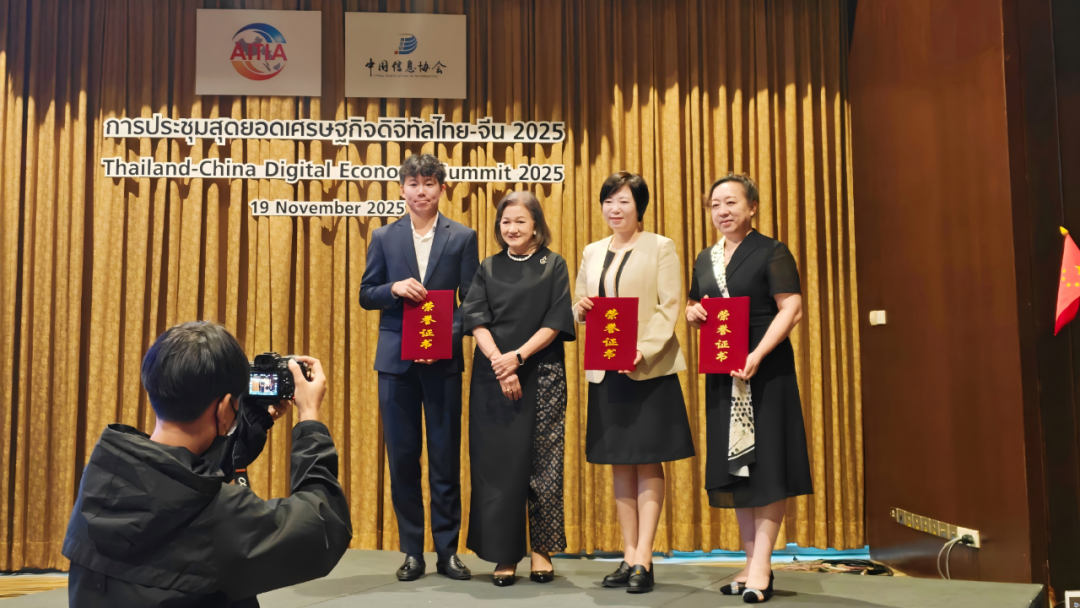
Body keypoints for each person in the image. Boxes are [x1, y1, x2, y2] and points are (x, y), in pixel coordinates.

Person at [62, 321, 351, 607]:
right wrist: (309, 419)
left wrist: (254, 422)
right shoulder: (219, 515)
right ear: (224, 408)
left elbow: (182, 479)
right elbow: (324, 526)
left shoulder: (102, 473)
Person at [685, 174, 813, 604]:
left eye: (731, 202)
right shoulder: (705, 258)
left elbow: (791, 308)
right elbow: (695, 303)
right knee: (737, 464)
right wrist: (693, 314)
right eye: (715, 204)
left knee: (767, 463)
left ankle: (762, 567)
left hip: (765, 369)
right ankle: (750, 561)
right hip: (724, 372)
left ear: (752, 207)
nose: (722, 211)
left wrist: (757, 353)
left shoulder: (772, 250)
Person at [572, 172, 695, 594]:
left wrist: (643, 349)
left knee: (647, 458)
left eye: (623, 201)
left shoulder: (661, 246)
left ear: (639, 206)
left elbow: (669, 306)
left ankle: (645, 555)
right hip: (605, 367)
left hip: (647, 368)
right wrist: (580, 309)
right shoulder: (592, 251)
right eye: (608, 201)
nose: (615, 208)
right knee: (620, 460)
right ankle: (628, 554)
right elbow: (580, 304)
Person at [359, 153, 479, 581]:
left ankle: (448, 552)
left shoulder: (463, 237)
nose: (421, 191)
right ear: (401, 190)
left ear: (442, 189)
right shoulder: (383, 236)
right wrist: (392, 288)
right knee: (403, 460)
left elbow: (473, 303)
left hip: (442, 362)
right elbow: (366, 293)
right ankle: (412, 552)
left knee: (445, 460)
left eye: (429, 183)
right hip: (396, 365)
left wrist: (445, 339)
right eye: (413, 184)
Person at [460, 191, 576, 587]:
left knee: (544, 464)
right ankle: (504, 552)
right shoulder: (488, 266)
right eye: (506, 222)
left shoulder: (553, 264)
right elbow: (475, 318)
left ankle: (542, 550)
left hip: (541, 373)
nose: (512, 228)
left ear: (536, 226)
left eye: (520, 221)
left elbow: (556, 320)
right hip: (492, 377)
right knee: (497, 467)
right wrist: (500, 362)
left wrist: (518, 358)